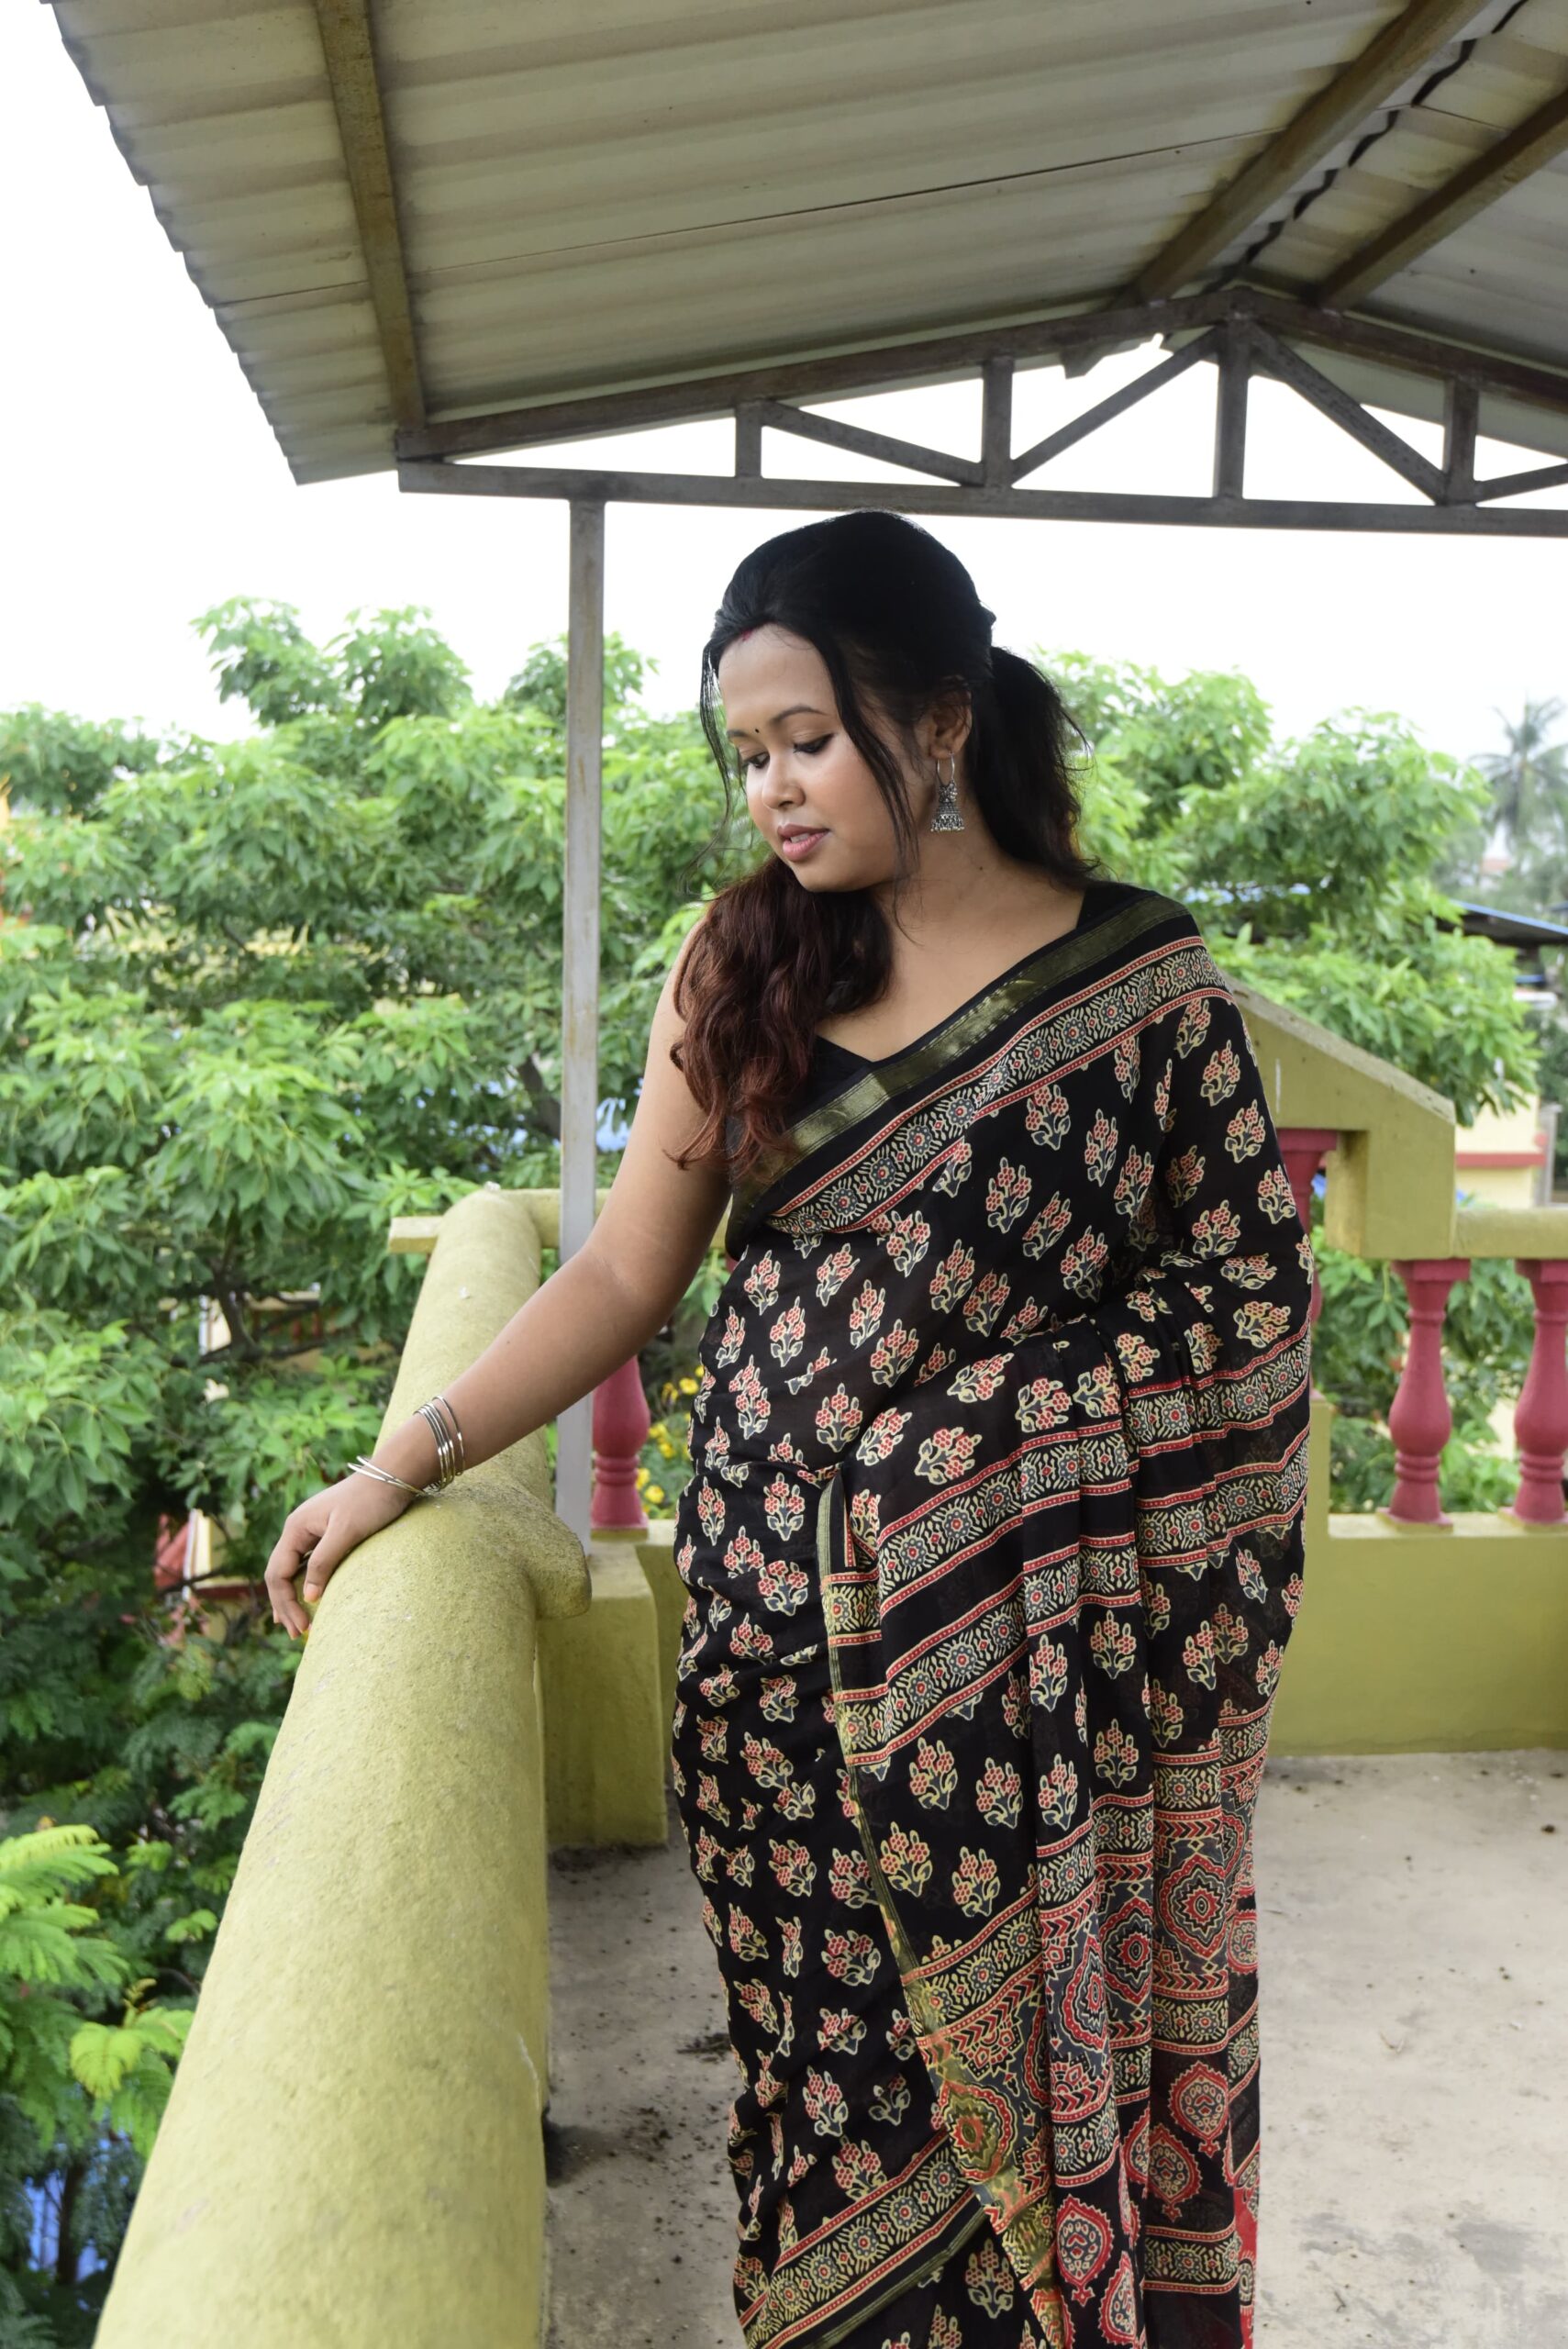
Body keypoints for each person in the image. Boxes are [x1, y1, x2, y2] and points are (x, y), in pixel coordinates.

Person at [266, 510, 1313, 2349]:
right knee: (826, 2110)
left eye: (807, 741)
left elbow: (1250, 1316)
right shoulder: (745, 960)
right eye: (746, 752)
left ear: (942, 718)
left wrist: (963, 1456)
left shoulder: (1143, 992)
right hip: (772, 1669)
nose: (770, 791)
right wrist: (401, 1457)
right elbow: (621, 1274)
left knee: (1018, 2128)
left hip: (1026, 1695)